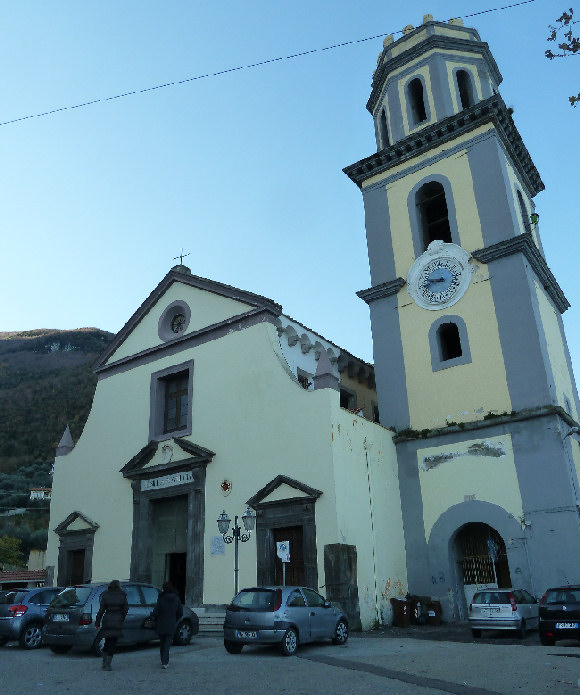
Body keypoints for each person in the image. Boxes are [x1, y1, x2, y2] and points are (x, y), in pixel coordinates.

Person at [95, 579, 129, 671]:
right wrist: (121, 617)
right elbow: (126, 609)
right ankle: (108, 664)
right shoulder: (122, 595)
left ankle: (104, 663)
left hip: (107, 619)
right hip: (117, 620)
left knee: (107, 641)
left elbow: (101, 610)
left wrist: (97, 622)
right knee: (113, 643)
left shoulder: (105, 595)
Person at [151, 581, 183, 669]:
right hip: (171, 623)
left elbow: (155, 612)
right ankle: (165, 662)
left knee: (162, 643)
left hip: (161, 623)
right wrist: (174, 620)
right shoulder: (176, 599)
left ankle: (163, 660)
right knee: (167, 645)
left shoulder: (161, 599)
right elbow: (180, 612)